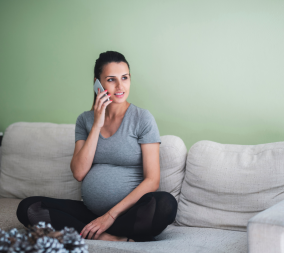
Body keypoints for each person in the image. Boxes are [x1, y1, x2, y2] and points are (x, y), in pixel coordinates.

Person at [16, 51, 177, 242]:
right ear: (97, 83)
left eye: (124, 78)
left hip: (126, 213)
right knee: (28, 207)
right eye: (111, 79)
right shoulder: (85, 120)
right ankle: (107, 236)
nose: (120, 86)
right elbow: (79, 172)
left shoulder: (142, 118)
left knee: (166, 204)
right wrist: (97, 124)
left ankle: (95, 231)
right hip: (90, 214)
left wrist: (109, 216)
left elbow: (152, 180)